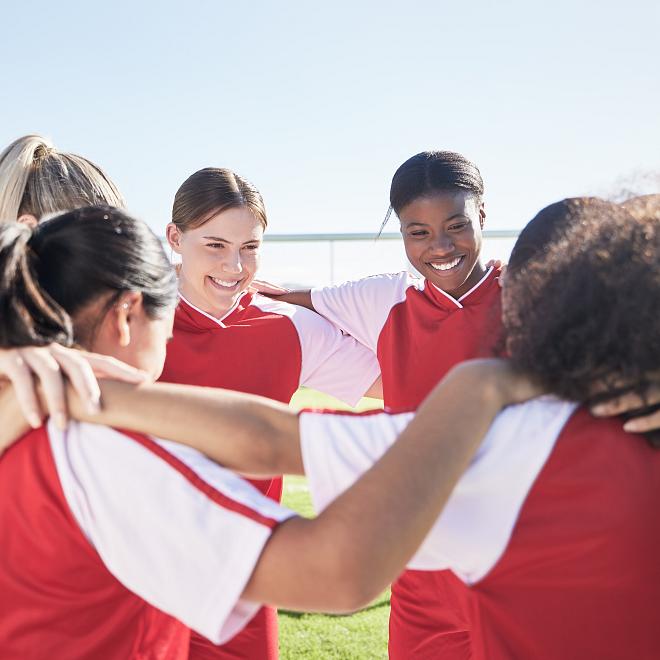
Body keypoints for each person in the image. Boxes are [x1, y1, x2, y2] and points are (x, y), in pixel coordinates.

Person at [8, 196, 653, 660]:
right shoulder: (524, 443)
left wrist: (96, 401)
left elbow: (281, 451)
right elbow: (330, 554)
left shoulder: (510, 446)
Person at [258, 149, 501, 657]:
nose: (440, 246)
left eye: (456, 225)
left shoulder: (528, 293)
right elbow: (285, 299)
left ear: (482, 215)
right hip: (418, 561)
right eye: (418, 232)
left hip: (512, 557)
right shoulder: (384, 300)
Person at [162, 167, 381, 658]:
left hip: (244, 577)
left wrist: (339, 302)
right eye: (215, 245)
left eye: (251, 247)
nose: (235, 266)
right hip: (139, 569)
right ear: (176, 238)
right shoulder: (129, 316)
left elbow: (403, 383)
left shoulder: (291, 327)